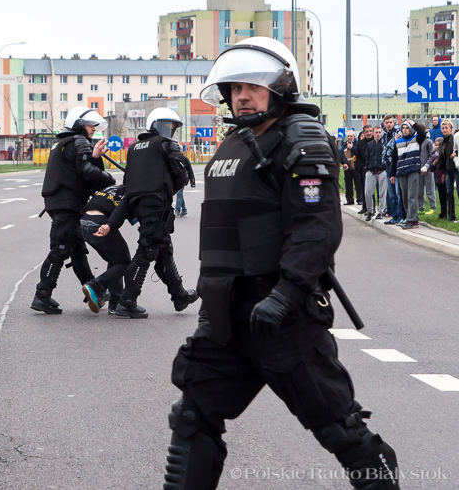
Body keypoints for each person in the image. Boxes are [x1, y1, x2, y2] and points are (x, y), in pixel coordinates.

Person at [162, 37, 399, 490]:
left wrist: (287, 294)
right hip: (225, 317)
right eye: (234, 89)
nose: (241, 96)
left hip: (282, 318)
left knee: (338, 429)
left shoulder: (299, 139)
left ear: (280, 87)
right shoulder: (235, 143)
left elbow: (317, 229)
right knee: (192, 417)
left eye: (252, 86)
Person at [94, 108, 198, 319]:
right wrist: (172, 184)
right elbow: (180, 174)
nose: (170, 131)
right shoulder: (165, 144)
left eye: (172, 128)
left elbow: (128, 184)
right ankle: (128, 301)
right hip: (157, 204)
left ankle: (179, 296)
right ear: (157, 125)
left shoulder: (134, 148)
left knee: (163, 250)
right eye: (168, 126)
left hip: (139, 205)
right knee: (147, 250)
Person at [31, 107, 115, 314]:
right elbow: (87, 172)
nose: (93, 129)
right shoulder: (78, 142)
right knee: (60, 249)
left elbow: (80, 167)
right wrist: (110, 181)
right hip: (67, 203)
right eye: (90, 125)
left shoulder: (63, 143)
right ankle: (42, 295)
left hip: (62, 202)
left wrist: (95, 158)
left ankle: (94, 290)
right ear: (79, 125)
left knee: (77, 249)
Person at [79, 184, 131, 314]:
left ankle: (115, 303)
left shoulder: (112, 188)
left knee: (115, 260)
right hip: (99, 223)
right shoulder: (132, 192)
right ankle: (95, 286)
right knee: (124, 262)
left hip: (84, 223)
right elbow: (131, 216)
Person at [390, 120, 427, 230]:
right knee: (405, 197)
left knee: (412, 196)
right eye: (403, 128)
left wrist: (414, 123)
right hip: (401, 171)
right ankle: (409, 217)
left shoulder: (416, 139)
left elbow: (422, 134)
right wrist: (393, 173)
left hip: (413, 170)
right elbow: (394, 158)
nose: (405, 130)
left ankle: (412, 219)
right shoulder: (398, 142)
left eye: (407, 128)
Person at [381, 116, 403, 222]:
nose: (389, 124)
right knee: (391, 194)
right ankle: (394, 216)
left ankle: (400, 215)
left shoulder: (398, 133)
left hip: (396, 166)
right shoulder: (383, 135)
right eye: (387, 122)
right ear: (384, 123)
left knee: (398, 193)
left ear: (394, 122)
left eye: (391, 122)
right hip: (387, 167)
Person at [363, 125, 388, 222]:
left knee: (382, 193)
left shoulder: (384, 144)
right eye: (376, 132)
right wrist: (368, 167)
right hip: (371, 171)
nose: (378, 134)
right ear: (373, 133)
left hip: (381, 170)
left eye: (379, 132)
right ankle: (370, 210)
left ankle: (381, 211)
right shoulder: (370, 144)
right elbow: (367, 157)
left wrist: (385, 166)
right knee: (368, 192)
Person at [438, 119, 458, 221]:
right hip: (447, 169)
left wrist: (456, 154)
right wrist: (442, 171)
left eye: (446, 128)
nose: (444, 130)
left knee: (458, 190)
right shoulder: (442, 142)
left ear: (451, 128)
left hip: (455, 167)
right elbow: (441, 158)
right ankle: (451, 214)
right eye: (443, 128)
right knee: (449, 191)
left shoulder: (454, 139)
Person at [418, 128, 437, 214]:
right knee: (419, 190)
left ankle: (433, 207)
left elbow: (432, 155)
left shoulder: (428, 141)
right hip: (418, 169)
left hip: (427, 170)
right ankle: (421, 207)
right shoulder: (416, 141)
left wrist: (426, 166)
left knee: (430, 189)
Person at [354, 125, 371, 214]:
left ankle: (373, 208)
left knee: (372, 191)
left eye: (370, 131)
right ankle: (365, 207)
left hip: (374, 169)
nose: (369, 133)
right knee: (364, 190)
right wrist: (361, 168)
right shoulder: (360, 144)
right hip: (363, 170)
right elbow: (357, 157)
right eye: (367, 131)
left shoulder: (375, 142)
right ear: (363, 133)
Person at [339, 131, 360, 205]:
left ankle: (360, 199)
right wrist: (344, 163)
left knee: (358, 183)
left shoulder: (357, 143)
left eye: (351, 136)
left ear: (354, 136)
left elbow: (359, 152)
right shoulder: (344, 145)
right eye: (348, 136)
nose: (350, 138)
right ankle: (349, 200)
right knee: (348, 184)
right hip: (348, 167)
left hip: (356, 167)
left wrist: (353, 148)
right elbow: (341, 154)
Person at [430, 137, 446, 219]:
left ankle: (448, 213)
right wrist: (434, 163)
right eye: (435, 145)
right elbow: (431, 169)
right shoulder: (434, 156)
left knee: (447, 196)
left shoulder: (443, 154)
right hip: (438, 179)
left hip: (445, 178)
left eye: (438, 145)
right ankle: (443, 213)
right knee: (441, 197)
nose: (437, 147)